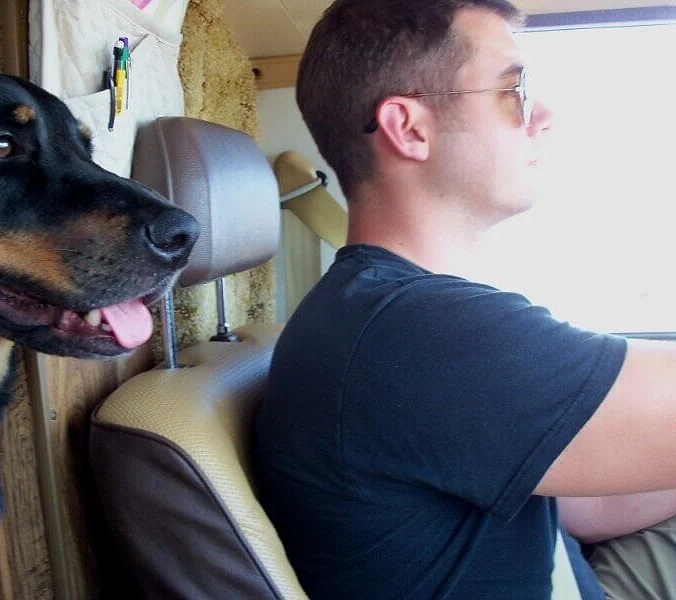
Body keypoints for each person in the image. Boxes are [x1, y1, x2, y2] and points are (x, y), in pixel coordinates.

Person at [254, 1, 676, 598]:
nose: (544, 114)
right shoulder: (413, 332)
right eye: (515, 90)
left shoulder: (392, 312)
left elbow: (583, 504)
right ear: (409, 128)